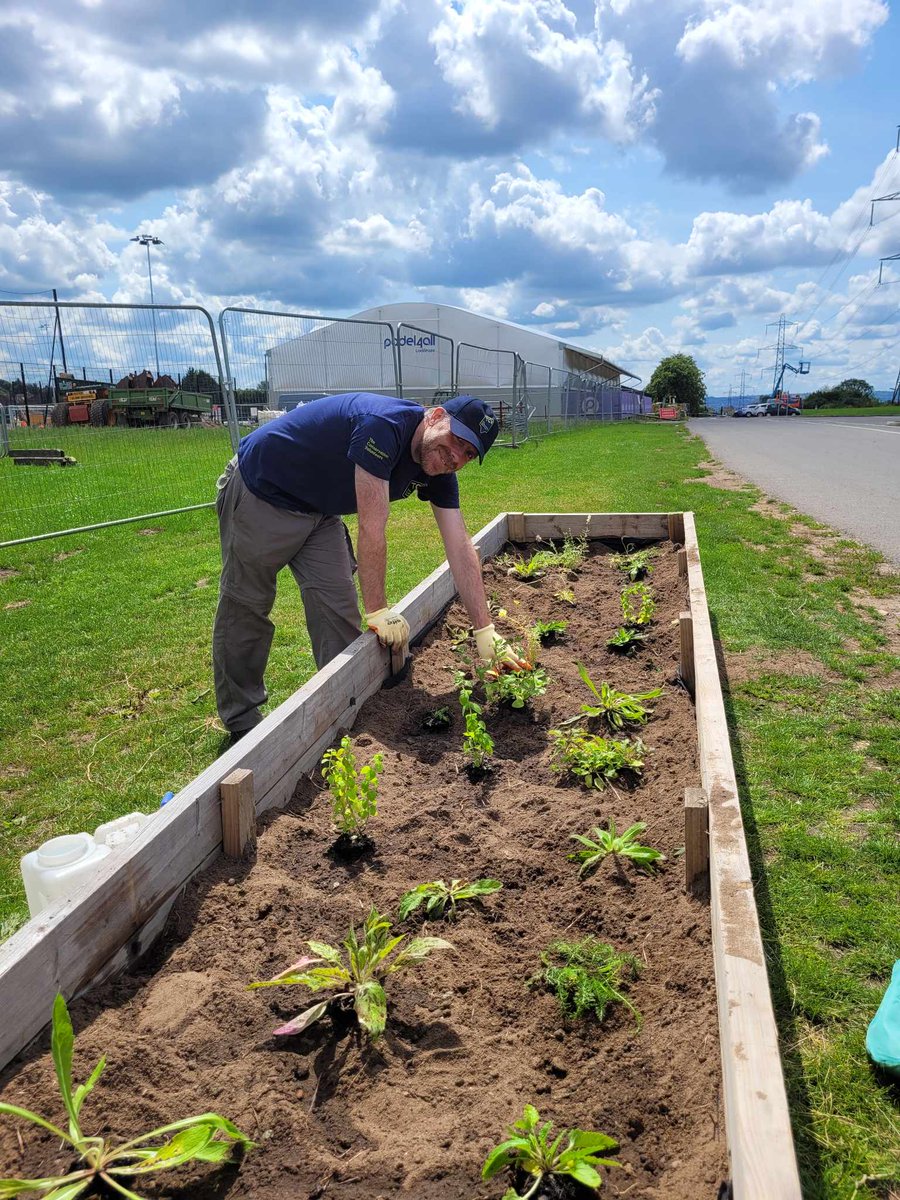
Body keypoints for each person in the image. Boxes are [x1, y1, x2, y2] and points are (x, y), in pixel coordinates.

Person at [213, 391, 528, 740]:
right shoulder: (383, 426)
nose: (457, 456)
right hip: (264, 489)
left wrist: (485, 631)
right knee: (247, 605)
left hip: (318, 508)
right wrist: (378, 609)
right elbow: (372, 524)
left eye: (469, 454)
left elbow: (460, 545)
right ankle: (242, 721)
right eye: (457, 439)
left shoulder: (440, 469)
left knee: (337, 609)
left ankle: (349, 705)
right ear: (436, 416)